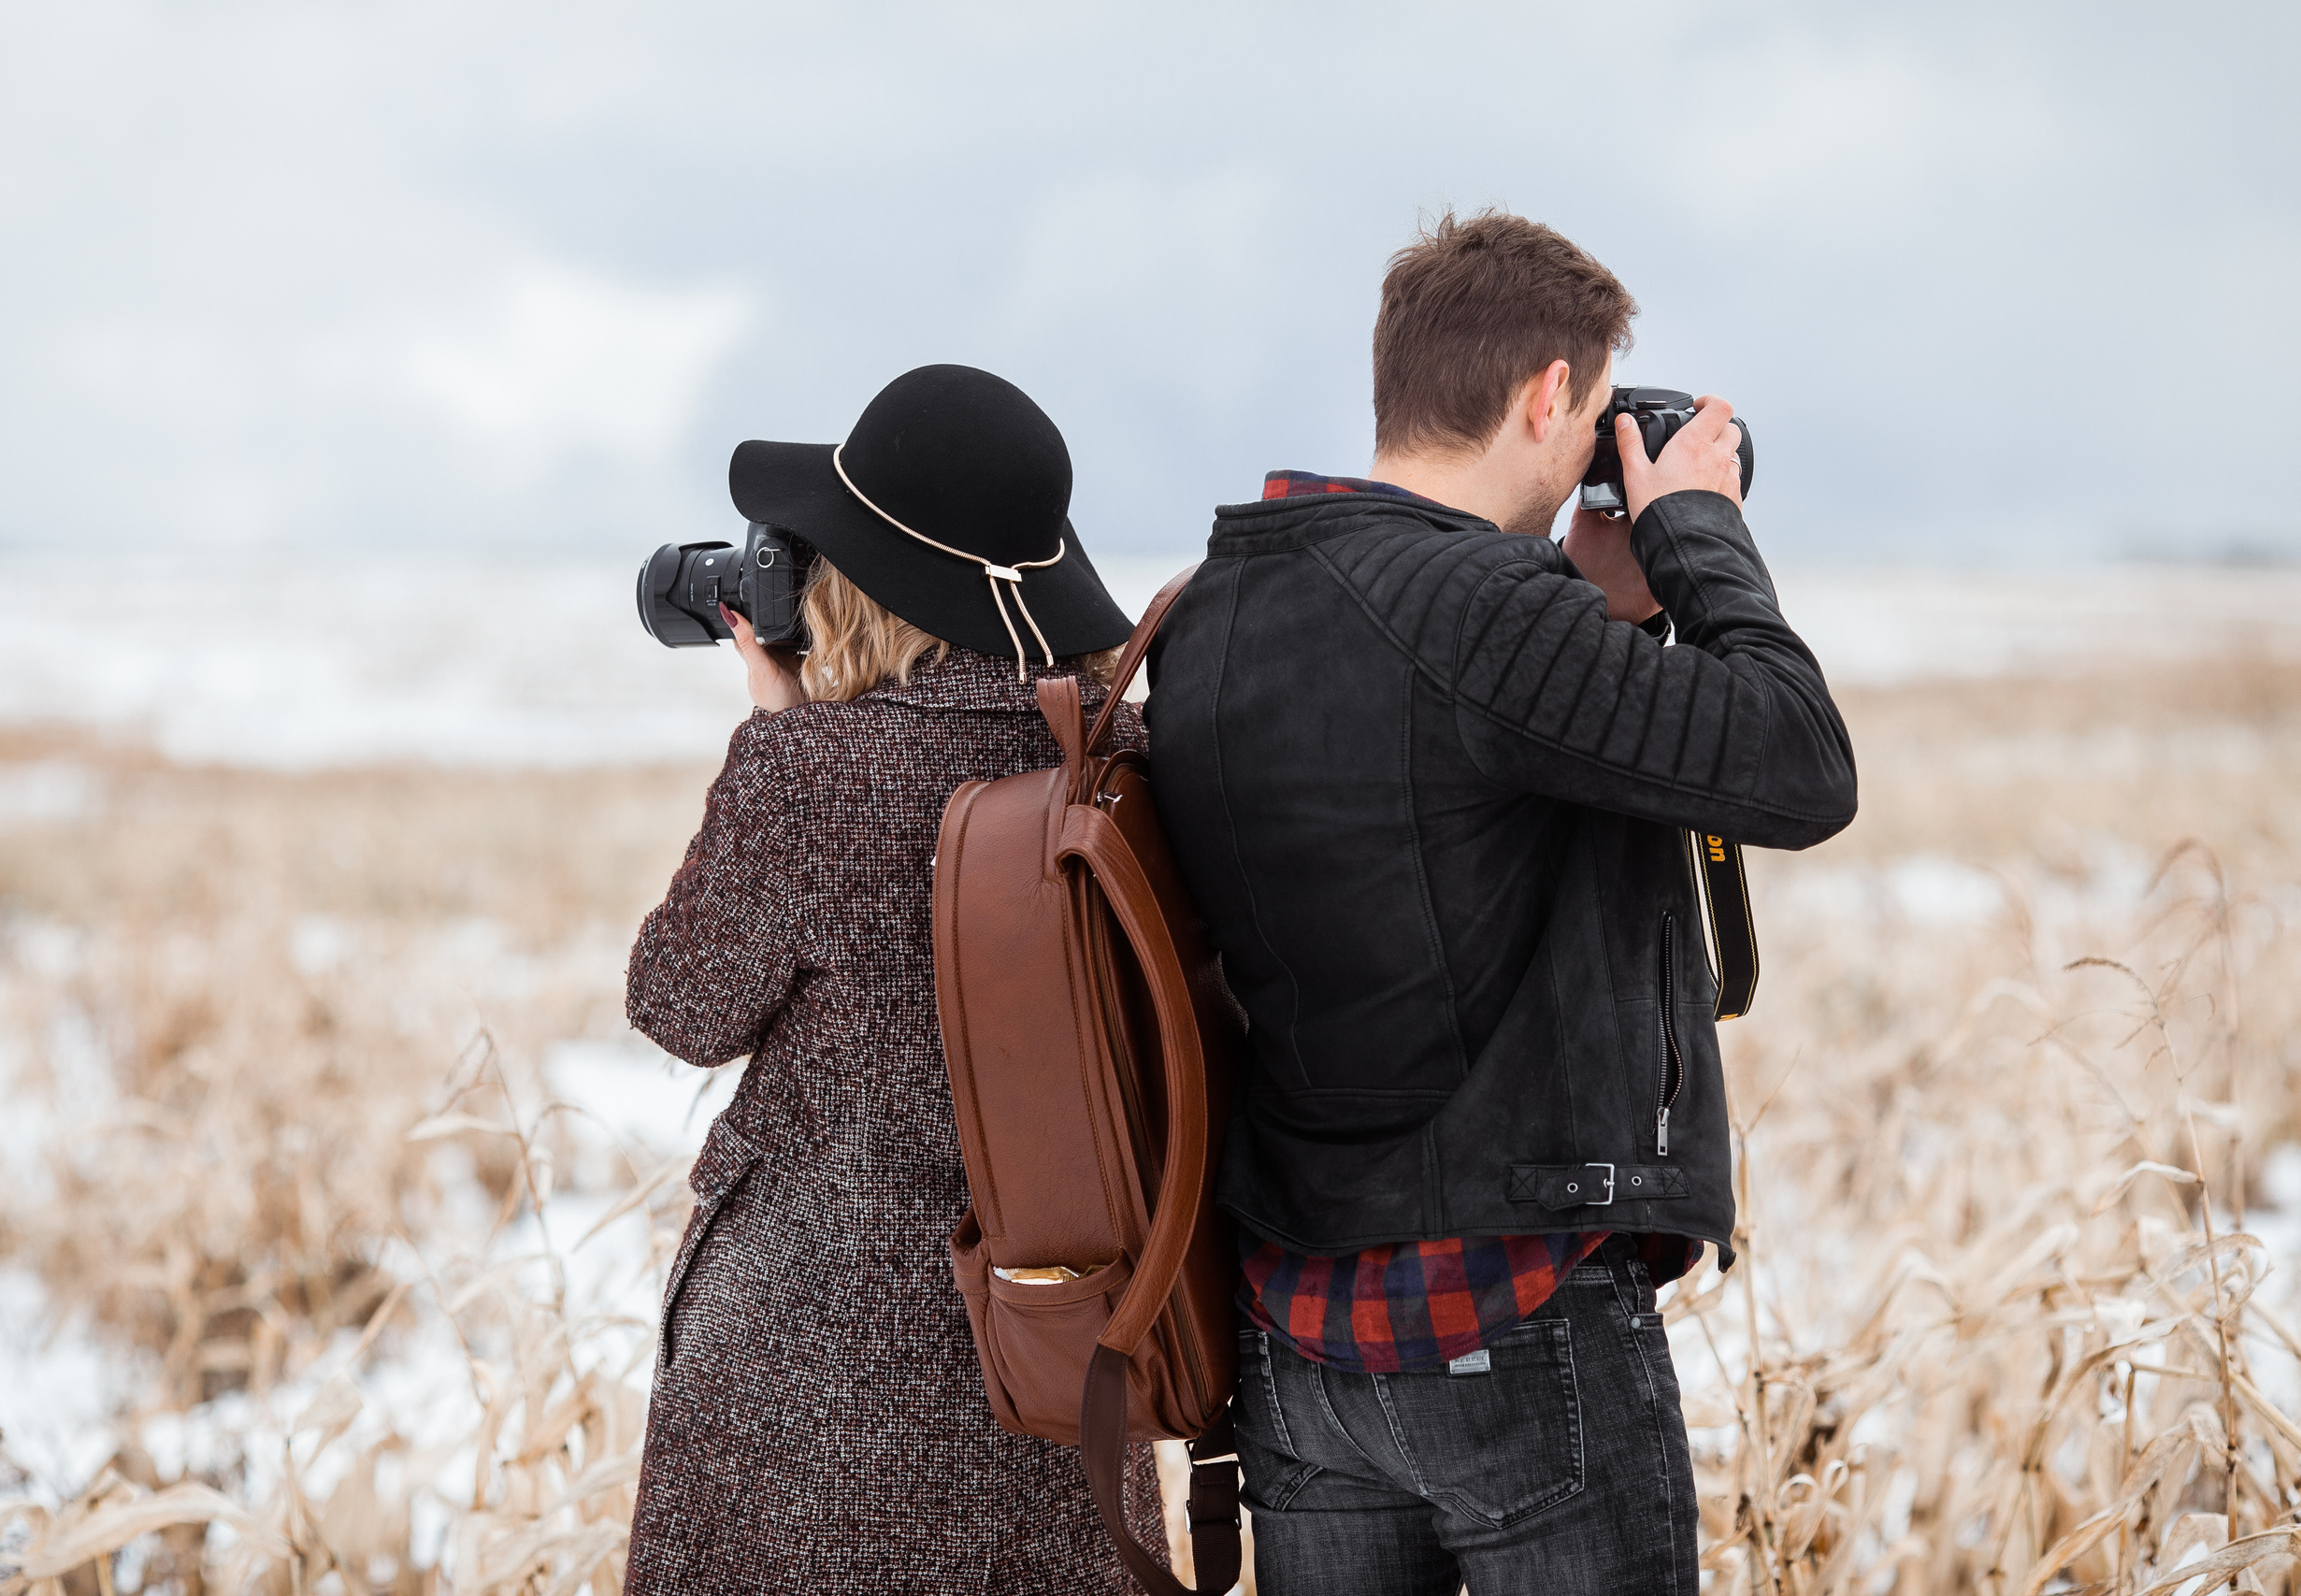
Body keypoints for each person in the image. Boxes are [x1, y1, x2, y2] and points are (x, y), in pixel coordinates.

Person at [1143, 211, 1859, 1594]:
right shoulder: (1486, 620)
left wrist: (1593, 599)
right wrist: (1699, 529)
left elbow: (1429, 736)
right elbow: (1799, 766)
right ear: (1549, 396)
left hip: (1295, 1329)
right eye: (1594, 408)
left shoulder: (1217, 605)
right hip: (1512, 1311)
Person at [621, 364, 1168, 1594]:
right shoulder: (1124, 760)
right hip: (1061, 1357)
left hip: (809, 1384)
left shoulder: (812, 774)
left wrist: (775, 737)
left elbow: (679, 1003)